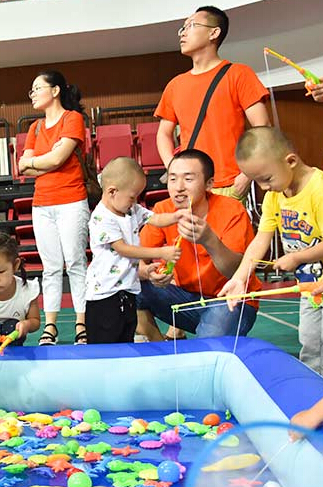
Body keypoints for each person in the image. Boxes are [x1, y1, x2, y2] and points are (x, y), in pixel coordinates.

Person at [219, 127, 323, 373]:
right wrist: (239, 278)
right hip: (312, 287)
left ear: (291, 161)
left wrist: (297, 257)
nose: (263, 187)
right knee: (311, 342)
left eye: (266, 179)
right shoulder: (275, 196)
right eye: (256, 181)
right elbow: (260, 241)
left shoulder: (318, 190)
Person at [137, 149, 260, 339]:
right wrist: (148, 272)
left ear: (209, 184)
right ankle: (160, 345)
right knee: (127, 287)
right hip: (185, 298)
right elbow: (133, 261)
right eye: (172, 179)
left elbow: (235, 272)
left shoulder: (232, 210)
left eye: (188, 179)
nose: (179, 187)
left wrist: (209, 240)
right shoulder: (164, 210)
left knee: (208, 347)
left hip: (229, 300)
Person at [156, 5, 269, 201]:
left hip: (229, 183)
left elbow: (263, 128)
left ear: (214, 33)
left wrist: (247, 174)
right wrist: (173, 168)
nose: (183, 33)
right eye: (182, 28)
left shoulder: (238, 74)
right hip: (189, 185)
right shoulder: (175, 85)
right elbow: (163, 134)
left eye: (191, 26)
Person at [18, 70, 89, 345]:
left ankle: (81, 323)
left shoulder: (73, 119)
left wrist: (39, 161)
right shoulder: (34, 127)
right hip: (42, 204)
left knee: (76, 263)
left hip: (72, 200)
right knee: (50, 267)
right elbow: (24, 166)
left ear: (56, 90)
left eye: (38, 88)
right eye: (32, 90)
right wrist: (46, 160)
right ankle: (51, 327)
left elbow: (57, 159)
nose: (33, 94)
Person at [85, 157, 184, 344]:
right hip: (105, 295)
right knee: (105, 343)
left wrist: (176, 216)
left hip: (127, 289)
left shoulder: (131, 210)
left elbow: (155, 219)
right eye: (132, 197)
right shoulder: (102, 217)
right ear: (112, 191)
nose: (135, 201)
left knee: (126, 336)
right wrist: (161, 253)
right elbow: (123, 249)